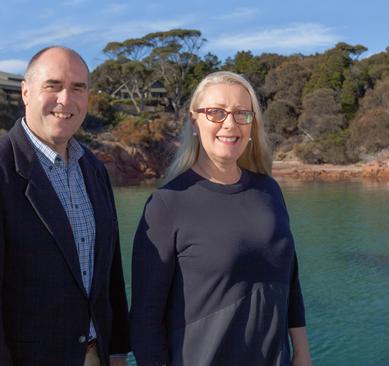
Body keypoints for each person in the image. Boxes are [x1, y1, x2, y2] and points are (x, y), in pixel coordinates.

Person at [130, 71, 312, 366]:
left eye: (242, 114)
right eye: (216, 112)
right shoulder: (167, 204)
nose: (230, 123)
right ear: (194, 120)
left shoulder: (269, 191)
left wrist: (302, 353)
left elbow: (290, 281)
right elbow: (145, 319)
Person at [0, 46, 130, 366]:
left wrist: (116, 351)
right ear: (26, 93)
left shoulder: (94, 169)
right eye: (53, 85)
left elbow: (110, 270)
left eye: (78, 88)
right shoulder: (3, 167)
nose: (66, 99)